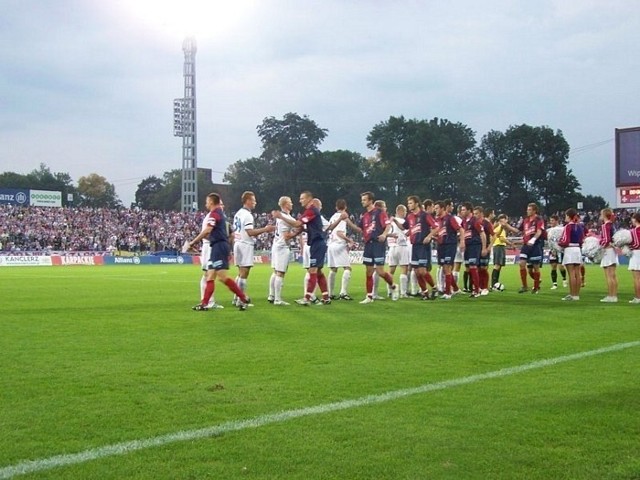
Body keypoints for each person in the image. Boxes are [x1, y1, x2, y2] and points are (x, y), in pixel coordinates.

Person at [187, 193, 252, 311]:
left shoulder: (215, 213)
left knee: (222, 277)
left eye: (207, 201)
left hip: (219, 247)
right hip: (216, 246)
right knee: (210, 276)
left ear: (211, 202)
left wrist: (193, 242)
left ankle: (243, 298)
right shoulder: (218, 213)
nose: (206, 204)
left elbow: (207, 230)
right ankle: (204, 303)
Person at [273, 191, 331, 306]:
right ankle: (326, 297)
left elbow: (296, 224)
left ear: (309, 199)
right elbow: (305, 226)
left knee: (312, 271)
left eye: (302, 198)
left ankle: (307, 298)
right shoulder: (308, 212)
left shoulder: (312, 210)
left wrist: (281, 216)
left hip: (317, 243)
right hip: (317, 243)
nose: (300, 201)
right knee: (318, 271)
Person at [342, 191, 399, 303]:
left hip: (378, 244)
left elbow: (387, 224)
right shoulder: (365, 216)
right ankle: (369, 296)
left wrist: (383, 234)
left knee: (380, 271)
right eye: (362, 200)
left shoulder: (379, 212)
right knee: (368, 271)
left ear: (370, 201)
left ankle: (393, 286)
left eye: (364, 200)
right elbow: (359, 229)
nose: (362, 202)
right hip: (368, 244)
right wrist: (348, 221)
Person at [232, 191, 276, 304]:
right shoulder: (247, 215)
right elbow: (250, 232)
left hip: (237, 242)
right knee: (244, 273)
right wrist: (266, 229)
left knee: (240, 272)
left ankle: (236, 297)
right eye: (253, 200)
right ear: (247, 201)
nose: (255, 203)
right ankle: (241, 300)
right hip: (245, 244)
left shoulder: (238, 213)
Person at [394, 196, 438, 300]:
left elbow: (436, 227)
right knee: (417, 272)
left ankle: (435, 287)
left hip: (423, 246)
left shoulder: (425, 215)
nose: (408, 205)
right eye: (408, 203)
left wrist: (428, 236)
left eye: (410, 203)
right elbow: (403, 227)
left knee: (422, 271)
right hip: (415, 246)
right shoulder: (409, 217)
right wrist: (395, 221)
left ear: (417, 204)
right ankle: (425, 293)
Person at [268, 196, 298, 306]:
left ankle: (271, 295)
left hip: (276, 244)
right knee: (280, 273)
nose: (292, 204)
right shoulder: (285, 217)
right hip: (282, 246)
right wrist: (296, 233)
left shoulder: (282, 217)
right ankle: (278, 299)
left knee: (275, 271)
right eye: (290, 202)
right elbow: (289, 233)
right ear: (285, 205)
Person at [433, 200, 464, 299]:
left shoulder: (450, 218)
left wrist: (462, 241)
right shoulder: (437, 220)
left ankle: (448, 292)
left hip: (449, 245)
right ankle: (455, 288)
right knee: (443, 267)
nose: (435, 210)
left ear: (442, 208)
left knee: (447, 267)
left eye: (437, 208)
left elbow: (461, 229)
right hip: (441, 246)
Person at [197, 201, 224, 309]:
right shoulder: (212, 217)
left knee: (208, 275)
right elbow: (206, 233)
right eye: (221, 204)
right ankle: (209, 302)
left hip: (210, 247)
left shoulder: (213, 216)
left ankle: (206, 300)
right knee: (210, 275)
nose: (223, 206)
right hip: (210, 247)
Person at [327, 199, 355, 300]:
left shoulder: (332, 217)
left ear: (336, 207)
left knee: (333, 269)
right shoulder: (342, 217)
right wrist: (349, 241)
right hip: (339, 244)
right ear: (345, 207)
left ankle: (330, 293)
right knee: (347, 268)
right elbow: (339, 232)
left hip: (330, 244)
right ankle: (343, 293)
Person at [460, 202, 487, 298]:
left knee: (473, 266)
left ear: (468, 210)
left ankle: (477, 290)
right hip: (468, 246)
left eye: (463, 210)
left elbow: (482, 234)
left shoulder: (475, 221)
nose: (461, 211)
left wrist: (484, 248)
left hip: (475, 245)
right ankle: (475, 288)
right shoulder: (464, 221)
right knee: (469, 267)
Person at [517, 203, 545, 294]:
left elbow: (539, 231)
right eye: (527, 209)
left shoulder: (539, 219)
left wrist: (533, 239)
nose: (527, 211)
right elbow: (518, 230)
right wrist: (506, 226)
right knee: (521, 263)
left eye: (529, 209)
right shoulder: (525, 220)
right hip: (526, 245)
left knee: (536, 267)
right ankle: (524, 286)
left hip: (535, 245)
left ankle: (536, 287)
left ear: (534, 211)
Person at [558, 208, 585, 301]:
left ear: (569, 217)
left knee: (571, 274)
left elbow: (565, 241)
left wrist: (558, 243)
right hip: (577, 249)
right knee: (577, 273)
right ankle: (577, 295)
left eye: (566, 216)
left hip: (570, 250)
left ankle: (572, 294)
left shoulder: (568, 226)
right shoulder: (579, 226)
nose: (565, 217)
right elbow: (582, 241)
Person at [387, 204, 411, 298]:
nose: (406, 213)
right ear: (399, 211)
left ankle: (389, 291)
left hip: (392, 247)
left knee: (391, 270)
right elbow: (407, 232)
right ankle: (403, 293)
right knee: (404, 269)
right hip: (402, 246)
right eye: (404, 211)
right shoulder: (403, 221)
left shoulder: (389, 222)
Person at [598, 208, 619, 303]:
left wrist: (599, 245)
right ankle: (614, 296)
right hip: (613, 251)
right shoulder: (612, 225)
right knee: (613, 276)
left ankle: (611, 296)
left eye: (601, 214)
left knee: (609, 276)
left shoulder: (605, 225)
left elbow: (606, 240)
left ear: (604, 215)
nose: (600, 216)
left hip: (608, 251)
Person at [490, 214, 514, 288]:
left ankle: (495, 283)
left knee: (498, 265)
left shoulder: (497, 226)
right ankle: (494, 283)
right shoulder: (500, 226)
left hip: (498, 246)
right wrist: (510, 244)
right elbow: (501, 238)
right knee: (497, 265)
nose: (507, 221)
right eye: (506, 219)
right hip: (499, 246)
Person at [477, 207, 494, 295]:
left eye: (477, 213)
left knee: (483, 268)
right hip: (476, 248)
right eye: (474, 213)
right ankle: (479, 286)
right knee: (478, 268)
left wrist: (489, 247)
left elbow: (494, 236)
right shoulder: (476, 223)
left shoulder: (487, 223)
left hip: (485, 247)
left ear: (481, 214)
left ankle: (485, 287)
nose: (475, 215)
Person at [548, 215, 568, 289]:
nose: (551, 222)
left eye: (552, 220)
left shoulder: (561, 229)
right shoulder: (549, 230)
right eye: (550, 220)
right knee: (553, 266)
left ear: (557, 221)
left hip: (560, 250)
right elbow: (549, 241)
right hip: (552, 251)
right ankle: (554, 284)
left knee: (561, 267)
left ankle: (564, 279)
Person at [628, 212, 640, 304]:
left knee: (637, 278)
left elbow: (636, 244)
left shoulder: (635, 230)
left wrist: (628, 248)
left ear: (635, 219)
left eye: (632, 218)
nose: (632, 220)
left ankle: (637, 297)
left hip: (637, 254)